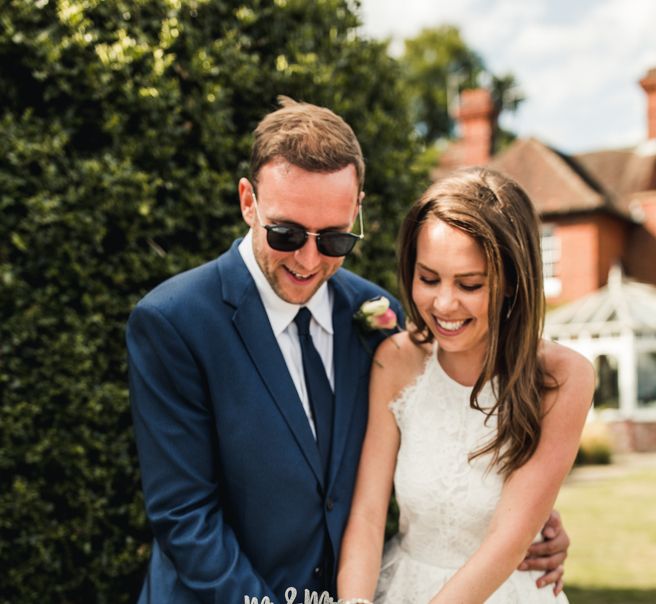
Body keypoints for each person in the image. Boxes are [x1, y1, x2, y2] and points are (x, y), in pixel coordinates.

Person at [127, 100, 572, 604]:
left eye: (335, 237)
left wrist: (528, 523)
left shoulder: (375, 312)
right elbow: (185, 518)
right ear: (248, 202)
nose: (309, 259)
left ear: (357, 208)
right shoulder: (173, 322)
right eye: (286, 233)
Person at [337, 168, 594, 604]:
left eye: (469, 284)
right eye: (428, 278)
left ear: (512, 281)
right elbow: (366, 514)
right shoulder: (396, 360)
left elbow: (506, 542)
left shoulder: (563, 378)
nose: (443, 304)